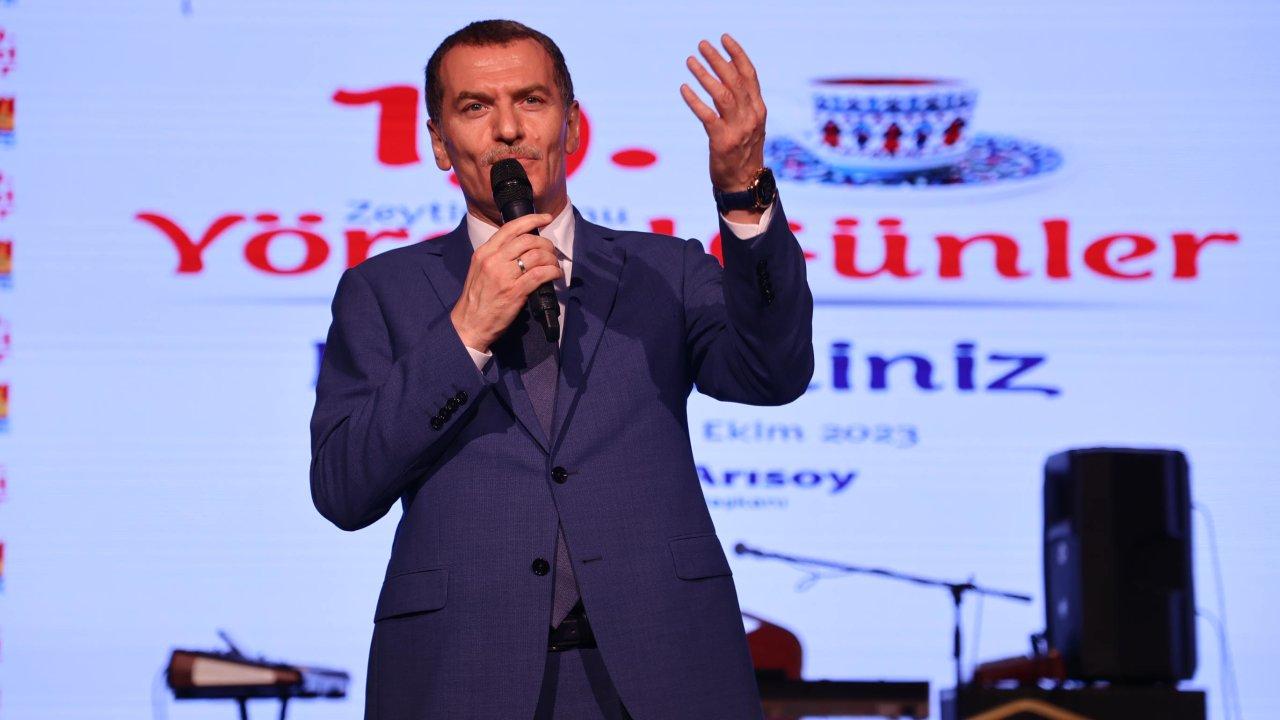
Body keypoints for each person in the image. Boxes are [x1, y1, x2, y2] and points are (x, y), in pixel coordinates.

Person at [309, 19, 813, 720]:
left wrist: (742, 196)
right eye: (475, 107)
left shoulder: (663, 271)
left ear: (572, 125)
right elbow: (343, 489)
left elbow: (772, 373)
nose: (508, 128)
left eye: (532, 100)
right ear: (438, 143)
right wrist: (465, 333)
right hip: (463, 675)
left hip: (665, 668)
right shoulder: (382, 292)